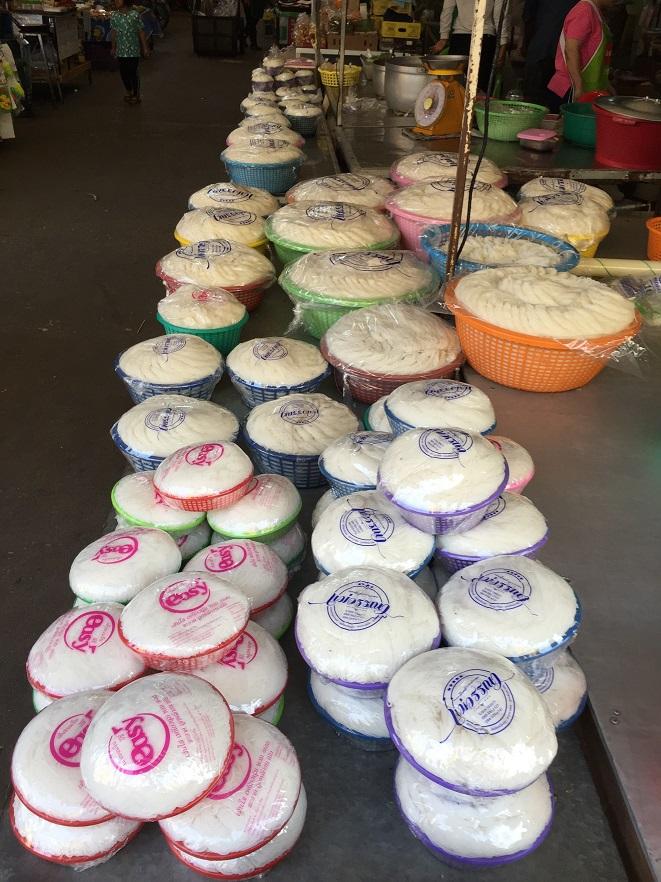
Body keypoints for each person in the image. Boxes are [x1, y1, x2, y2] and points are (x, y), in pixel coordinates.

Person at [547, 0, 614, 111]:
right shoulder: (584, 10)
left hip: (589, 88)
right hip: (570, 88)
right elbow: (571, 49)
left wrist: (606, 84)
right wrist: (578, 86)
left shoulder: (595, 12)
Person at [432, 0, 511, 93]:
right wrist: (503, 46)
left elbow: (447, 10)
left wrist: (444, 37)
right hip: (485, 39)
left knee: (455, 88)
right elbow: (500, 16)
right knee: (480, 89)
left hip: (460, 40)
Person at [523, 0, 577, 106]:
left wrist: (526, 44)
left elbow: (528, 17)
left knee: (534, 104)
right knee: (555, 106)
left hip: (543, 50)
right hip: (561, 57)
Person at [111, 0, 150, 105]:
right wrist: (113, 47)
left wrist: (145, 48)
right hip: (121, 50)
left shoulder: (135, 15)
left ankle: (136, 94)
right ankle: (129, 91)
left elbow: (141, 31)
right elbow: (114, 32)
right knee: (123, 72)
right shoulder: (114, 16)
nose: (116, 1)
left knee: (132, 72)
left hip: (133, 50)